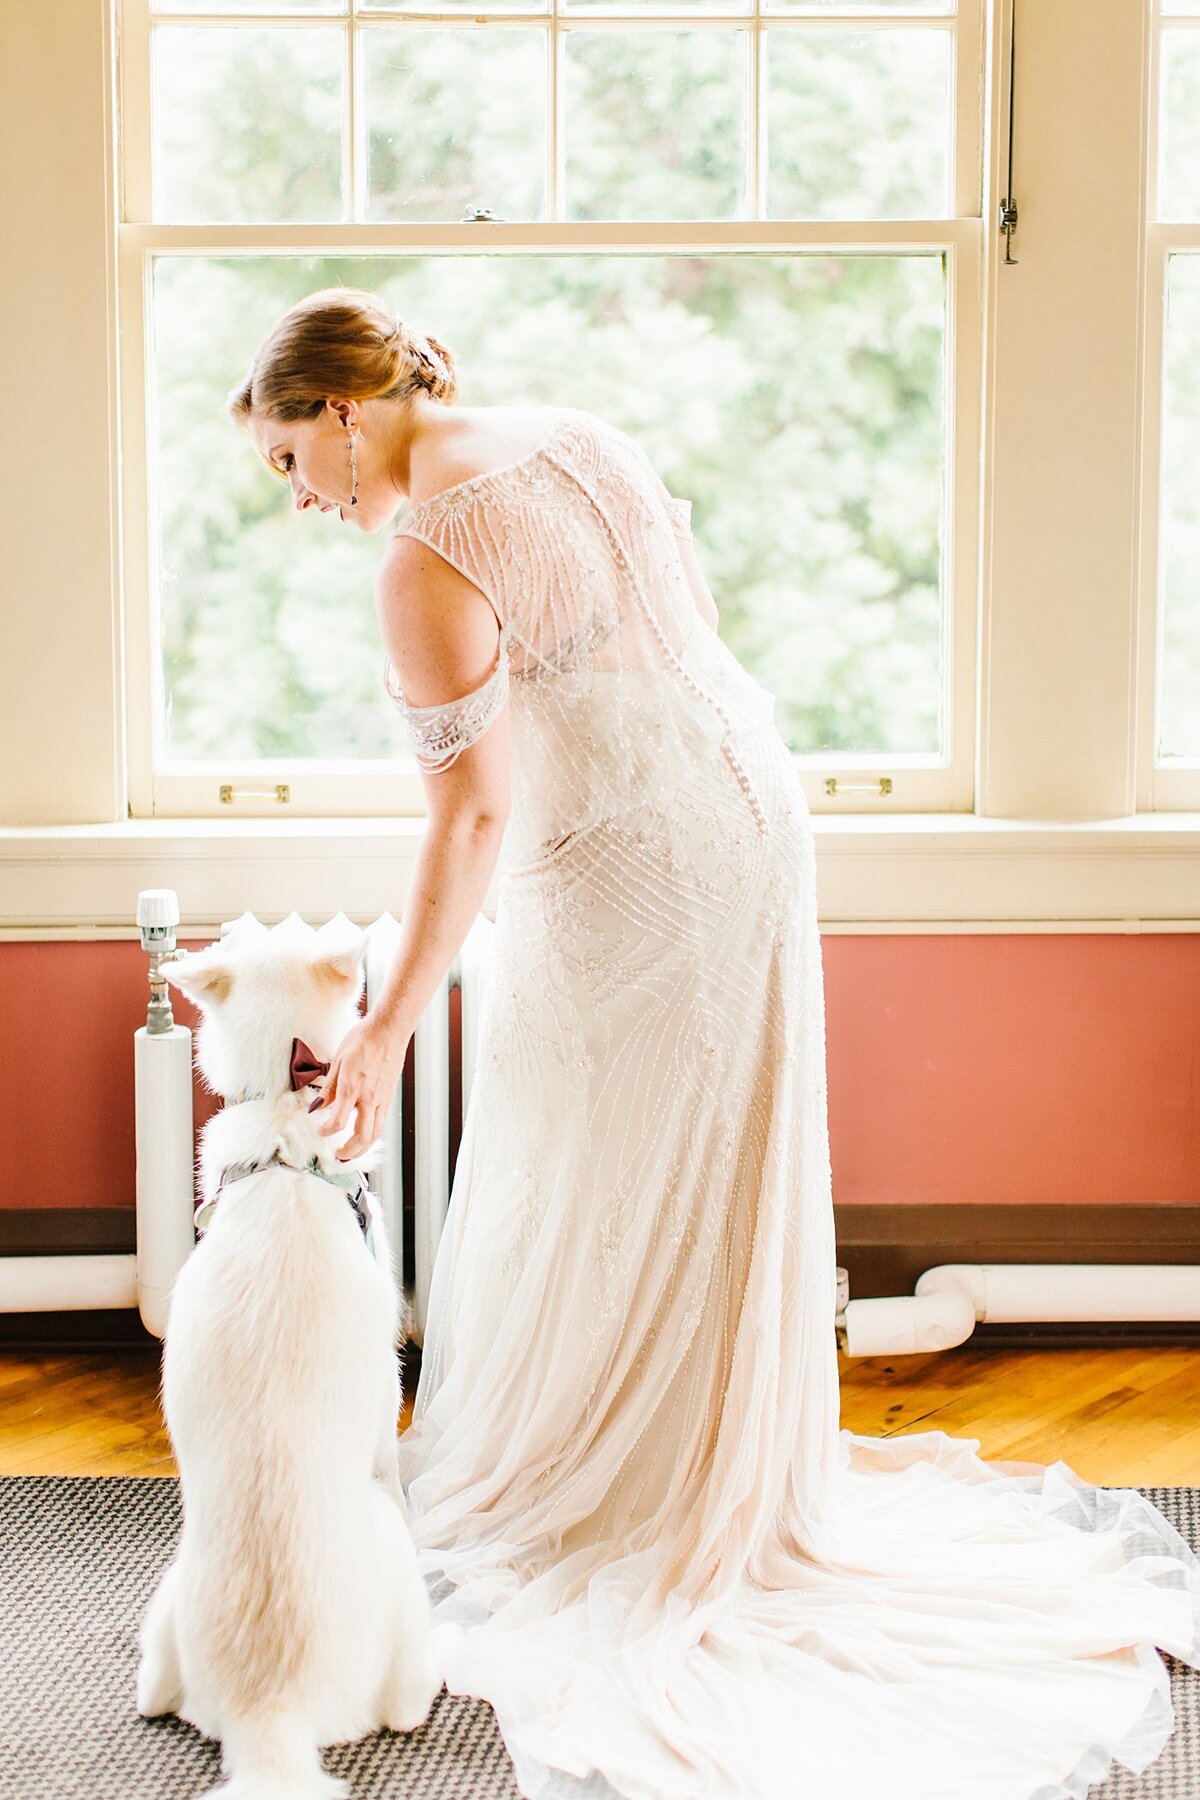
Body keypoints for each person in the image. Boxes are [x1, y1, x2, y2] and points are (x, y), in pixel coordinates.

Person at [229, 286, 1200, 1800]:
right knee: (679, 1173)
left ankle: (637, 1510)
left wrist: (386, 1030)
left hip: (626, 878)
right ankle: (699, 1485)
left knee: (594, 1179)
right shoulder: (573, 437)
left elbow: (475, 813)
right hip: (746, 813)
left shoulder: (428, 556)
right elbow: (685, 634)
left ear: (346, 414)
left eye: (292, 463)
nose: (299, 503)